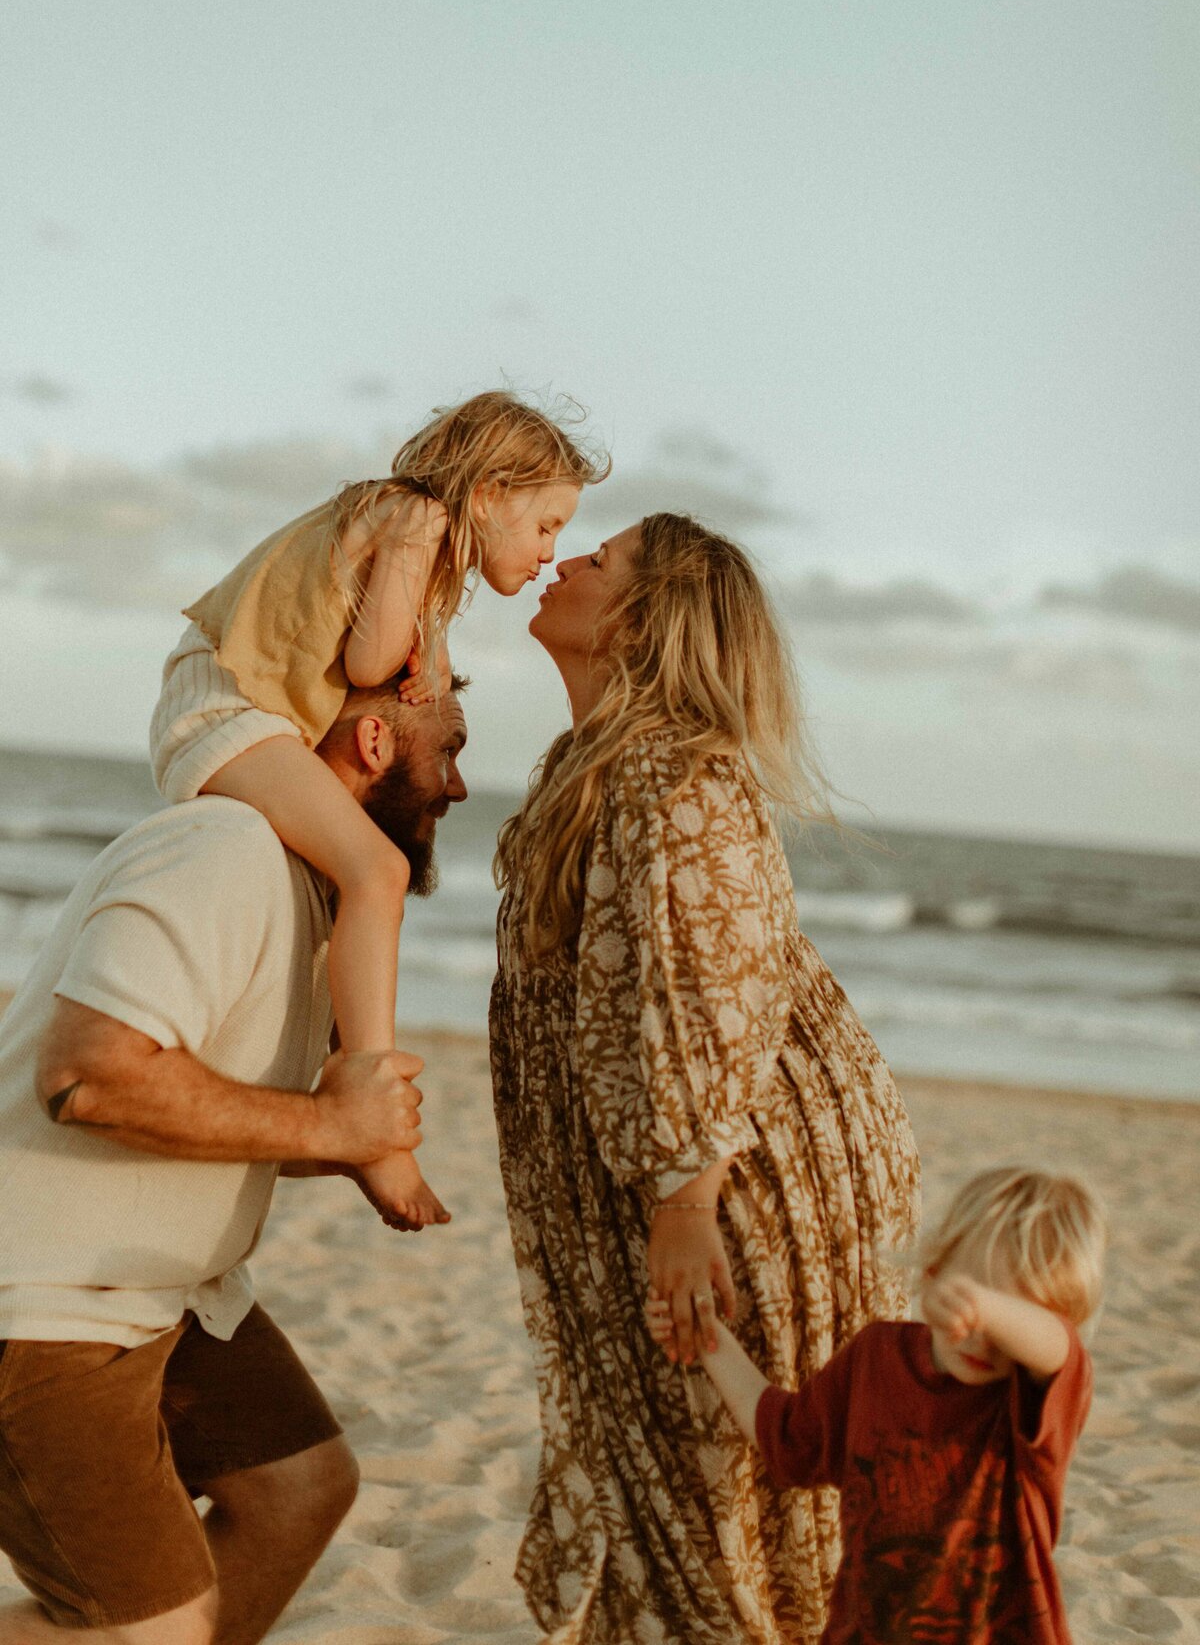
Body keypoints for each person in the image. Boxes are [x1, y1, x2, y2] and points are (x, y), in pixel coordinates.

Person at [489, 513, 921, 1644]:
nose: (571, 559)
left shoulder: (676, 773)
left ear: (643, 618)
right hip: (677, 1176)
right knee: (686, 1505)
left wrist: (685, 1205)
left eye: (605, 559)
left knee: (716, 1508)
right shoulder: (591, 768)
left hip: (737, 1187)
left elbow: (710, 994)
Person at [0, 675, 469, 1644]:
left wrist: (344, 1133)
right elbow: (90, 1077)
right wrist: (335, 1131)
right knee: (154, 1631)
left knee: (299, 1490)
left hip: (169, 1289)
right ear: (375, 741)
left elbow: (220, 1115)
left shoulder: (317, 901)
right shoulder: (220, 851)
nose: (460, 788)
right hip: (43, 1300)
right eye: (450, 750)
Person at [151, 390, 606, 1226]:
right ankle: (372, 1123)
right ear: (486, 496)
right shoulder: (417, 523)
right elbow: (368, 656)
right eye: (545, 525)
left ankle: (341, 1084)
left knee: (344, 893)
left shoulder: (415, 537)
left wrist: (427, 648)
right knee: (378, 870)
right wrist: (417, 652)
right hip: (225, 710)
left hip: (239, 705)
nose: (552, 551)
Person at [648, 1166, 1105, 1645]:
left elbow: (1059, 1349)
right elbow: (785, 1438)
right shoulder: (875, 1359)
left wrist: (987, 1307)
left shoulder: (1030, 1405)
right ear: (934, 1272)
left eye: (1012, 1315)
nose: (985, 1339)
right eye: (971, 1294)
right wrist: (706, 1336)